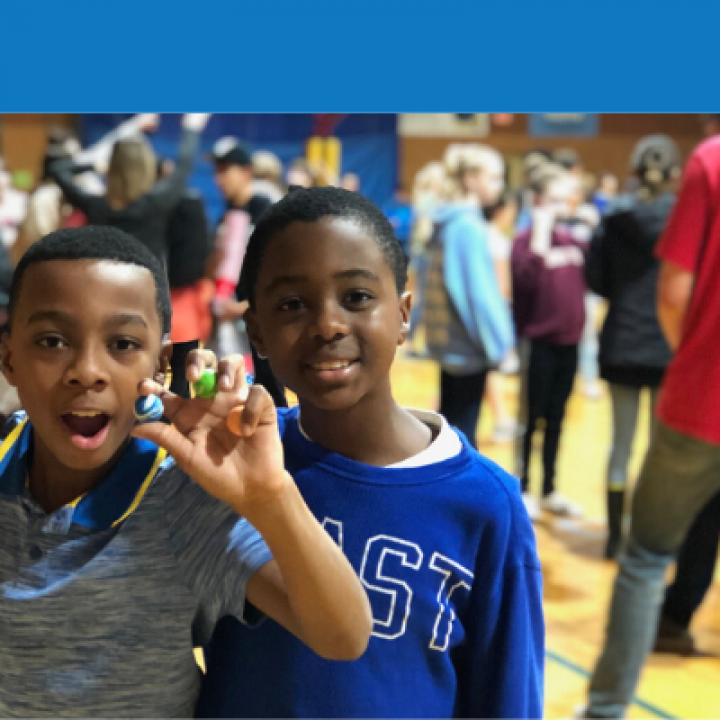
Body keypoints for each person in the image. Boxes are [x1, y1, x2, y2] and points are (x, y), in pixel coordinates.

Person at [195, 187, 544, 719]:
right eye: (292, 305)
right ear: (257, 331)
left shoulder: (485, 504)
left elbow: (507, 698)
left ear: (403, 314)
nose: (328, 324)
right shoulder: (229, 461)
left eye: (356, 297)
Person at [0, 224, 371, 717]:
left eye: (123, 344)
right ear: (8, 357)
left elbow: (343, 635)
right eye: (52, 340)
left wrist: (268, 495)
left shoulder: (179, 499)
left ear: (160, 364)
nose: (87, 370)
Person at [583, 127, 720, 718]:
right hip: (672, 368)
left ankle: (605, 709)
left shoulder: (709, 163)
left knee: (643, 553)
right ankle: (678, 618)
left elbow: (672, 288)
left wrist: (695, 356)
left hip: (693, 385)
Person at [585, 135, 678, 559]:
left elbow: (596, 282)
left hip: (621, 340)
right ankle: (649, 538)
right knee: (658, 450)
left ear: (634, 172)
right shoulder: (681, 220)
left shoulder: (613, 217)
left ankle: (613, 540)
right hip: (666, 344)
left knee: (620, 444)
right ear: (674, 174)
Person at [424, 144, 515, 449]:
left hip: (450, 345)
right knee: (463, 443)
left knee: (449, 436)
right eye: (494, 178)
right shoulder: (468, 227)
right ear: (471, 179)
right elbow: (479, 297)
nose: (500, 186)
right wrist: (500, 345)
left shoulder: (449, 221)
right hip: (467, 350)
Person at [512, 163, 586, 520]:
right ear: (538, 200)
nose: (563, 206)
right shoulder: (525, 243)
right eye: (555, 199)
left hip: (570, 343)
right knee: (531, 419)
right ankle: (524, 487)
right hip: (538, 343)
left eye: (565, 199)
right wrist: (540, 235)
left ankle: (550, 489)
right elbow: (526, 280)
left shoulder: (573, 241)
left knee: (557, 418)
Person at [48, 113, 204, 263]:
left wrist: (99, 165)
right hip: (146, 280)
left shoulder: (95, 205)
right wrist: (191, 129)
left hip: (104, 278)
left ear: (112, 168)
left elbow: (58, 169)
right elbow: (184, 166)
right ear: (146, 168)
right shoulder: (155, 204)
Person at [207, 136, 285, 407]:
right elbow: (218, 268)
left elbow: (282, 273)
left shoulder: (268, 210)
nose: (219, 179)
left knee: (268, 399)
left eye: (225, 170)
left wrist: (244, 308)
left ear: (246, 172)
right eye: (216, 170)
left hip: (260, 323)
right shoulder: (227, 215)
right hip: (231, 327)